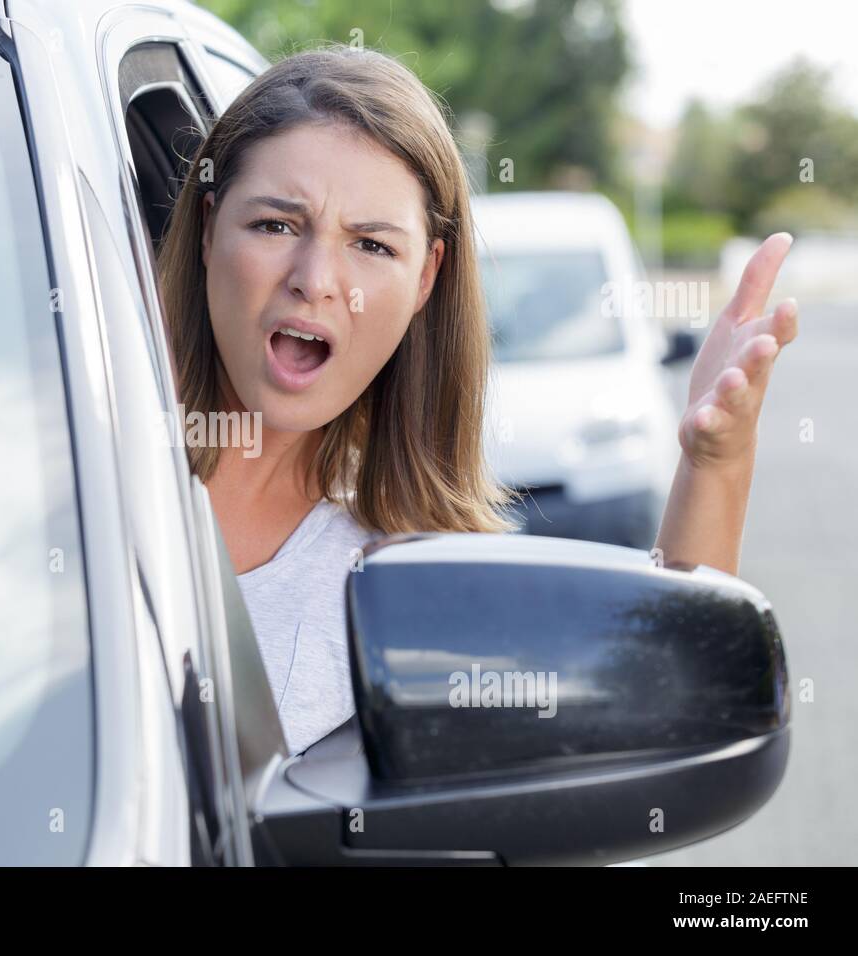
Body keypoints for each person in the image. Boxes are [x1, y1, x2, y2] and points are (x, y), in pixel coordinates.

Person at [154, 45, 799, 754]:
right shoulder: (66, 451)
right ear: (210, 226)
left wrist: (716, 462)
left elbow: (666, 711)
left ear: (426, 276)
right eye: (275, 225)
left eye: (371, 245)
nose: (317, 279)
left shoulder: (418, 578)